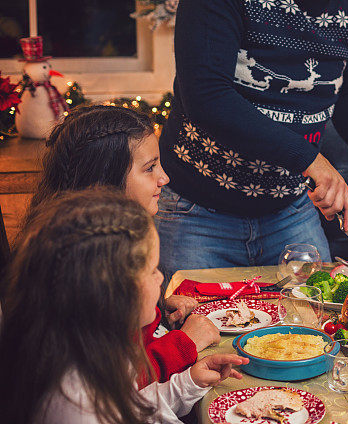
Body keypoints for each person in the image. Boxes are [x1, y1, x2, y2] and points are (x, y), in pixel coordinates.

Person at [156, 0, 348, 280]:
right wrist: (308, 158)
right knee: (197, 323)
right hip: (197, 214)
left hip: (291, 211)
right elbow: (207, 96)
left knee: (314, 318)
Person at [0, 189, 249, 423]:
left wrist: (188, 383)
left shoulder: (99, 349)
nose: (161, 279)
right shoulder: (77, 403)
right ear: (111, 292)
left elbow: (132, 408)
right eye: (152, 270)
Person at [29, 105, 220, 383]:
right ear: (105, 180)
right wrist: (184, 343)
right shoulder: (81, 273)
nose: (164, 178)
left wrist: (156, 311)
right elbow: (116, 383)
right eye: (150, 168)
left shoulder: (97, 243)